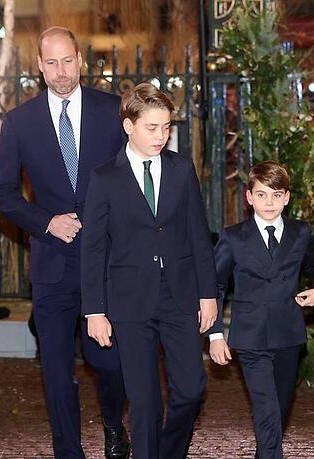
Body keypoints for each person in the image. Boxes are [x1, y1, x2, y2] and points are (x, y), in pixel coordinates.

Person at [0, 27, 128, 459]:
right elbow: (0, 191)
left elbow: (136, 176)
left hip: (106, 260)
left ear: (81, 60)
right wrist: (45, 222)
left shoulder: (113, 111)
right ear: (39, 66)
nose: (61, 71)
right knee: (55, 370)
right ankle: (68, 451)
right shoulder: (20, 121)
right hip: (51, 264)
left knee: (108, 363)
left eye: (68, 61)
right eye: (52, 63)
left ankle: (112, 424)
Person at [80, 82, 218, 459]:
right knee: (144, 405)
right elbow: (93, 248)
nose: (161, 136)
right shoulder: (105, 177)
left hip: (178, 295)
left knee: (191, 389)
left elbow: (197, 235)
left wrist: (208, 294)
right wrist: (95, 310)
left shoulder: (181, 168)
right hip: (129, 302)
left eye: (167, 128)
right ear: (128, 125)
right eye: (152, 128)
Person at [207, 161, 314, 459]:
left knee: (280, 408)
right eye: (261, 195)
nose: (268, 202)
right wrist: (215, 334)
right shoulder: (233, 237)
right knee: (265, 406)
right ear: (249, 198)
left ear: (286, 197)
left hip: (288, 332)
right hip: (250, 336)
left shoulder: (300, 232)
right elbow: (214, 286)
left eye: (275, 195)